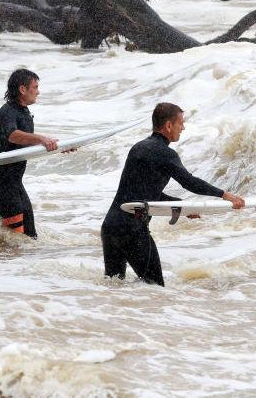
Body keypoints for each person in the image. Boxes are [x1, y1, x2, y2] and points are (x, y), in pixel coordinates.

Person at [101, 102, 245, 286]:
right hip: (132, 231)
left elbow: (145, 193)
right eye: (180, 123)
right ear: (168, 125)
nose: (183, 127)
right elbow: (189, 182)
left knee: (113, 288)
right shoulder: (165, 153)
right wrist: (224, 194)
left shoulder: (138, 148)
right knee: (155, 289)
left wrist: (183, 207)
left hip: (111, 227)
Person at [0, 68, 62, 238]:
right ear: (22, 89)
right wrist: (42, 139)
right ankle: (4, 264)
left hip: (15, 182)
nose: (38, 92)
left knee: (29, 238)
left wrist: (60, 146)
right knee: (15, 240)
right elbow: (12, 136)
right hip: (2, 183)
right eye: (35, 87)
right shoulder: (7, 111)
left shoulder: (23, 112)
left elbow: (27, 144)